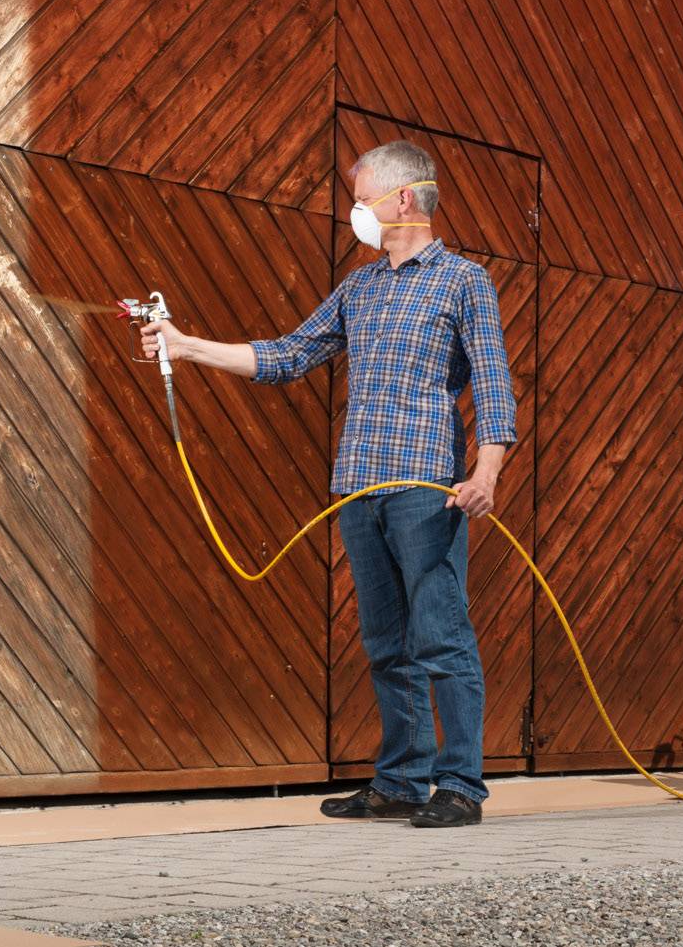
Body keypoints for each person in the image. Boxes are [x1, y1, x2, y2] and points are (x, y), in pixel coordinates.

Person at [141, 141, 516, 828]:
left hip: (426, 488)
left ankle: (460, 785)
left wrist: (485, 471)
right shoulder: (359, 289)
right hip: (357, 489)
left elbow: (493, 384)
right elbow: (288, 355)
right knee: (385, 643)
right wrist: (186, 346)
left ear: (404, 198)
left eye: (362, 192)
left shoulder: (464, 282)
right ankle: (402, 780)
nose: (355, 207)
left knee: (441, 636)